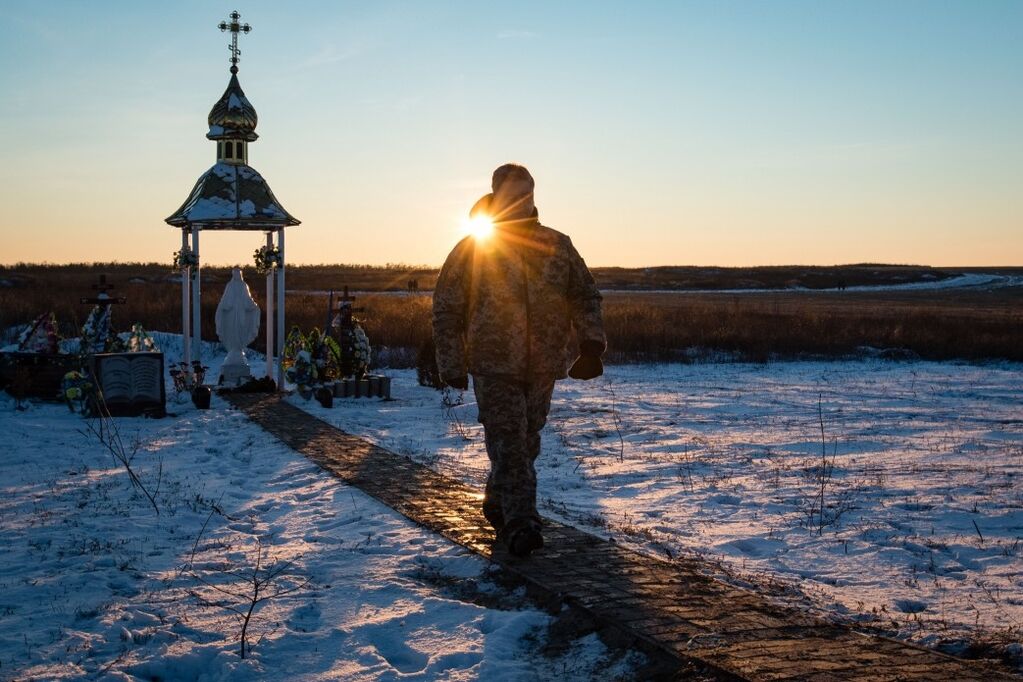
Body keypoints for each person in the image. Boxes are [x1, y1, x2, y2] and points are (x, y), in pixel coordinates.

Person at [432, 164, 606, 557]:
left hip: (543, 364)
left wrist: (591, 344)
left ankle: (498, 502)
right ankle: (521, 524)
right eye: (511, 194)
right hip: (493, 364)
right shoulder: (474, 247)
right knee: (509, 442)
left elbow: (584, 295)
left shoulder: (557, 245)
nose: (519, 200)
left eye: (525, 193)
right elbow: (446, 310)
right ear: (497, 195)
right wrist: (452, 363)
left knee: (526, 443)